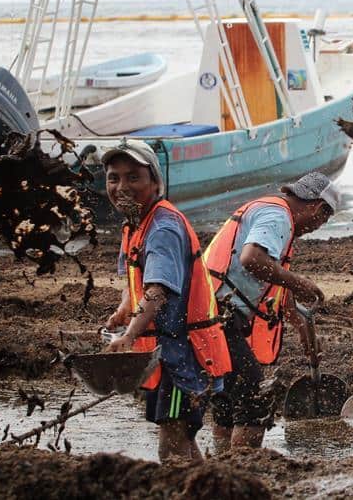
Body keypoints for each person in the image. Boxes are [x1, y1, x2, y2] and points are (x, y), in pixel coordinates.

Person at [102, 139, 231, 462]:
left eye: (134, 177)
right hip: (170, 352)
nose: (121, 187)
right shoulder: (135, 224)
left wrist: (130, 335)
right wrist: (124, 309)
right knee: (183, 441)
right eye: (113, 177)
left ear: (155, 183)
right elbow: (137, 282)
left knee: (171, 448)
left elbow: (157, 290)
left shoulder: (162, 227)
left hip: (185, 355)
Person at [203, 172, 338, 452]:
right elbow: (252, 259)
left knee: (229, 393)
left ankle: (223, 460)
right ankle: (246, 465)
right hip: (218, 313)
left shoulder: (270, 211)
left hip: (210, 310)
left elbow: (279, 291)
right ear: (317, 207)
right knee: (252, 389)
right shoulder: (278, 217)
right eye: (324, 219)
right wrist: (300, 282)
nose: (317, 227)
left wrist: (304, 333)